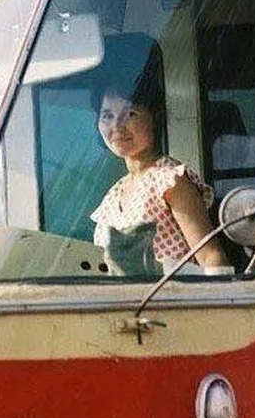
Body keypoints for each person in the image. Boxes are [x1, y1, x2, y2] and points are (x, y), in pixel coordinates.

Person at [90, 42, 228, 276]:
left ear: (155, 118)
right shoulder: (114, 195)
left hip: (170, 305)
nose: (116, 126)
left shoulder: (170, 180)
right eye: (107, 116)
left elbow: (210, 256)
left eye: (130, 114)